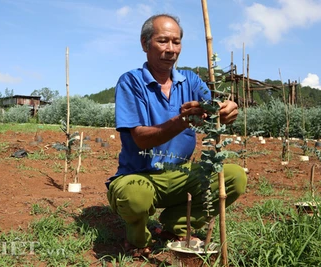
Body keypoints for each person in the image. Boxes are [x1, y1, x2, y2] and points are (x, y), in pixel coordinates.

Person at [106, 13, 247, 257]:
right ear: (144, 44)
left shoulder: (191, 80)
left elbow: (213, 107)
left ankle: (176, 224)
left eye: (176, 41)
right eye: (163, 41)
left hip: (181, 176)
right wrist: (180, 122)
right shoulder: (131, 82)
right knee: (135, 195)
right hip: (139, 176)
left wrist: (226, 110)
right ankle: (139, 237)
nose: (171, 49)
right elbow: (141, 138)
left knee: (234, 177)